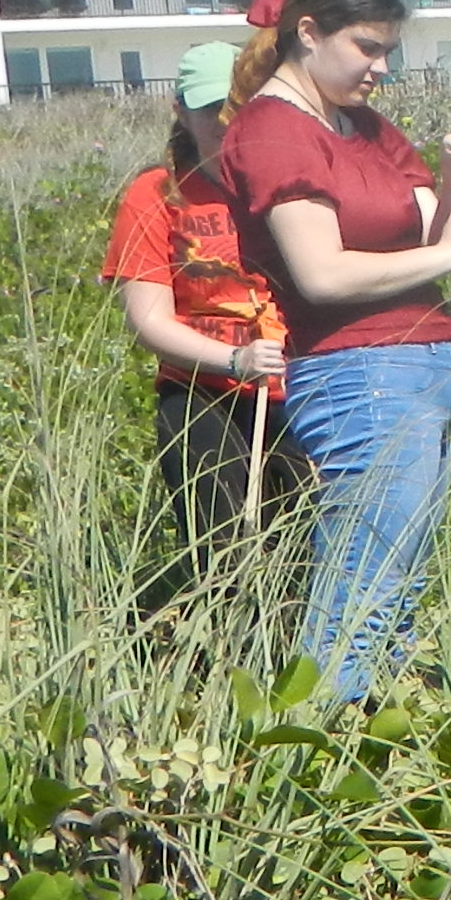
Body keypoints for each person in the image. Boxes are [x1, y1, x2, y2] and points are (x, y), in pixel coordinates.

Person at [214, 0, 451, 702]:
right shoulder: (273, 131)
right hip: (359, 377)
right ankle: (309, 742)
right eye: (367, 48)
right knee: (359, 592)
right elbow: (323, 274)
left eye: (388, 52)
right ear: (308, 32)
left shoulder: (363, 126)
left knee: (398, 589)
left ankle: (373, 739)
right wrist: (448, 254)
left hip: (418, 369)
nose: (380, 68)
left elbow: (427, 229)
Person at [101, 37, 303, 607]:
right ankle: (232, 646)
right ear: (180, 112)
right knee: (224, 551)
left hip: (298, 386)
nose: (224, 121)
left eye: (238, 105)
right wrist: (234, 359)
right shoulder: (156, 193)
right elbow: (149, 320)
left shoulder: (290, 180)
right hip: (202, 387)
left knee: (309, 542)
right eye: (210, 108)